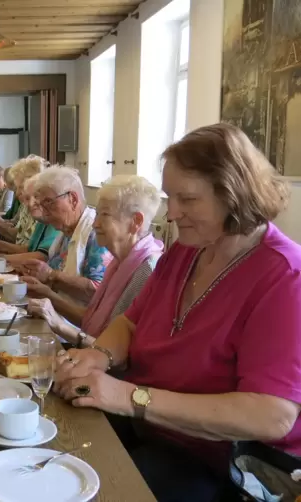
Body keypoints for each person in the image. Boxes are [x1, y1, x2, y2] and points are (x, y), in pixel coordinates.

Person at [53, 124, 301, 502]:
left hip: (218, 461)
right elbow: (130, 321)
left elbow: (270, 415)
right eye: (170, 197)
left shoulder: (284, 276)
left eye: (186, 200)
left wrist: (131, 397)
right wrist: (98, 355)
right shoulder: (187, 249)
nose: (171, 213)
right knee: (51, 442)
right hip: (148, 427)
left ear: (233, 194)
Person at [28, 175, 163, 345]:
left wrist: (59, 325)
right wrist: (49, 298)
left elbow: (119, 355)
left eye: (105, 215)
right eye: (97, 214)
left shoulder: (147, 271)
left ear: (136, 222)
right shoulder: (119, 262)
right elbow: (92, 320)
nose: (95, 224)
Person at [20, 166, 112, 307]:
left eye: (48, 203)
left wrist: (51, 275)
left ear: (73, 199)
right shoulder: (65, 232)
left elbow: (98, 292)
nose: (44, 212)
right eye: (41, 205)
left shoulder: (95, 232)